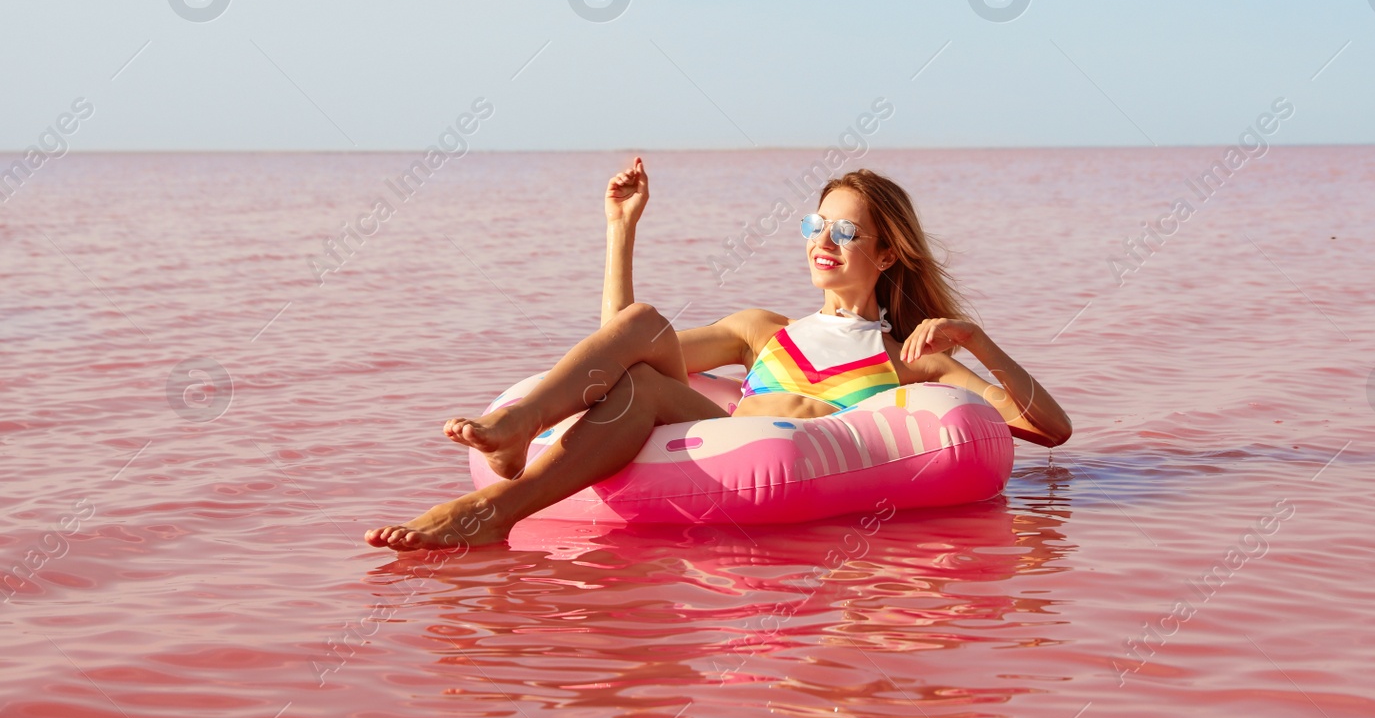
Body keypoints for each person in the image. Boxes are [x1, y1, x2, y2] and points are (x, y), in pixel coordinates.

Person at [366, 158, 1071, 551]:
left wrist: (977, 340)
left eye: (845, 231)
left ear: (886, 253)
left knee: (639, 385)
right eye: (814, 223)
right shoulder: (763, 329)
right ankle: (516, 431)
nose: (822, 240)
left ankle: (496, 508)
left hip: (768, 453)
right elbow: (619, 348)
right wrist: (621, 230)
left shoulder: (907, 358)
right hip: (701, 426)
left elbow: (1049, 427)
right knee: (642, 332)